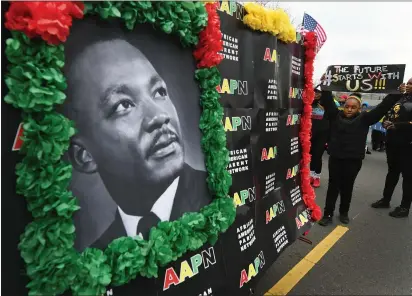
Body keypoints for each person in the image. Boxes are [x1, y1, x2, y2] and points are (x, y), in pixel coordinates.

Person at [61, 19, 211, 249]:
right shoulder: (99, 258)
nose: (159, 116)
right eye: (123, 105)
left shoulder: (217, 202)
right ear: (84, 156)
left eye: (159, 92)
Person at [318, 90, 402, 226]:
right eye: (347, 106)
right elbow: (327, 101)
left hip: (353, 160)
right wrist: (326, 85)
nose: (349, 109)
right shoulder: (335, 116)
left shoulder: (365, 119)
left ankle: (344, 212)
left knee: (347, 186)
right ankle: (327, 214)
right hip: (336, 158)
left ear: (359, 108)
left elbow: (382, 108)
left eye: (353, 107)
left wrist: (395, 93)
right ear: (343, 106)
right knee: (333, 186)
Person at [371, 78, 412, 218]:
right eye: (408, 83)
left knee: (408, 177)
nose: (407, 85)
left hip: (408, 145)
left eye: (411, 84)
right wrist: (386, 122)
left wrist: (398, 126)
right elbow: (390, 114)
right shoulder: (400, 99)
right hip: (392, 142)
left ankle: (405, 207)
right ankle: (385, 199)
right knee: (392, 172)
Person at [310, 88, 330, 188]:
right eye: (314, 92)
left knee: (317, 156)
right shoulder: (308, 103)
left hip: (322, 135)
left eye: (318, 92)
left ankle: (317, 177)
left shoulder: (326, 104)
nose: (316, 94)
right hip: (309, 134)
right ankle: (310, 175)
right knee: (309, 156)